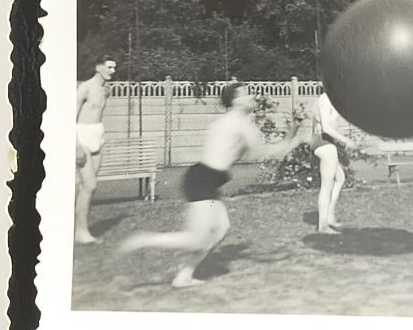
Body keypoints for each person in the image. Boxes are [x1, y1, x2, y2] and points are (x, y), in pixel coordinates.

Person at [119, 83, 305, 288]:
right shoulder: (240, 124)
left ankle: (184, 276)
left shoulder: (233, 122)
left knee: (221, 228)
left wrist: (293, 130)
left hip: (205, 178)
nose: (252, 96)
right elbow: (264, 153)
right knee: (196, 240)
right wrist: (294, 141)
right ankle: (145, 240)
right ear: (235, 100)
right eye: (246, 93)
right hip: (203, 180)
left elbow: (249, 150)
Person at [75, 56, 117, 244]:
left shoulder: (105, 89)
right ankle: (81, 232)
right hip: (82, 136)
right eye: (109, 67)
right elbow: (71, 118)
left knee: (89, 188)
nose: (112, 71)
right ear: (99, 67)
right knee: (89, 186)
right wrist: (75, 145)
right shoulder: (84, 88)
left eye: (114, 68)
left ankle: (81, 229)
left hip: (98, 135)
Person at [311, 92, 357, 235]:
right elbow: (326, 128)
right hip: (324, 143)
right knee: (326, 186)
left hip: (325, 143)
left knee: (340, 178)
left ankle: (329, 216)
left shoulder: (331, 100)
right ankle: (323, 226)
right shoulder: (325, 99)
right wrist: (347, 140)